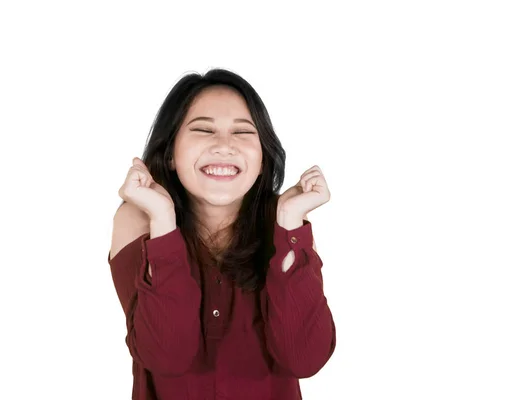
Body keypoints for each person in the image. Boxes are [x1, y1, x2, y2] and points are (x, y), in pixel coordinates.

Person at [108, 68, 336, 399]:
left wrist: (289, 222)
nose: (224, 146)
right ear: (170, 153)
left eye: (243, 133)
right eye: (203, 129)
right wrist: (163, 221)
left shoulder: (289, 227)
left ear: (262, 159)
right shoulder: (139, 220)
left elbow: (304, 358)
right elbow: (167, 356)